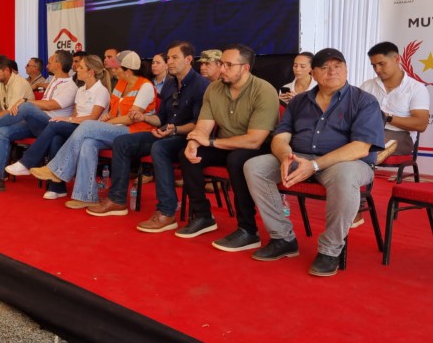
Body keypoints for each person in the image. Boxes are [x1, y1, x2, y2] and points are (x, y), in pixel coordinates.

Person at [243, 48, 385, 276]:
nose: (332, 71)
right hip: (301, 157)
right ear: (314, 73)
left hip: (347, 162)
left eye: (337, 66)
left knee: (345, 176)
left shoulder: (364, 101)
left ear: (346, 69)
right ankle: (283, 238)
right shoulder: (299, 101)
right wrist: (285, 156)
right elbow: (281, 136)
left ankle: (330, 250)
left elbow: (360, 147)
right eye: (325, 67)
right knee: (255, 166)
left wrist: (316, 165)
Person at [87, 42, 209, 233]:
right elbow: (160, 117)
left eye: (174, 58)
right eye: (168, 58)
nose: (170, 62)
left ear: (188, 60)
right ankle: (117, 200)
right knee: (122, 142)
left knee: (159, 149)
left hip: (187, 137)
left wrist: (174, 129)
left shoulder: (201, 85)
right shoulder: (170, 84)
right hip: (164, 132)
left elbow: (199, 123)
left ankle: (166, 212)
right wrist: (143, 117)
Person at [175, 44, 279, 251]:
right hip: (225, 144)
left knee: (237, 159)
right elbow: (203, 127)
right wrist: (193, 142)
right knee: (187, 155)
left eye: (228, 65)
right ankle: (203, 216)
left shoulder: (264, 90)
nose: (222, 69)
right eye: (221, 64)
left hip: (259, 148)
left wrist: (211, 142)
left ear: (245, 68)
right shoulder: (214, 89)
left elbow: (255, 140)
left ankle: (248, 230)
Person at [30, 50, 158, 209]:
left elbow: (130, 118)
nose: (112, 70)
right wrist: (107, 118)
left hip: (135, 133)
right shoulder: (121, 84)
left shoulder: (145, 86)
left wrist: (107, 122)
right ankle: (87, 196)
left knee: (87, 125)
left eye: (116, 68)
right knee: (88, 143)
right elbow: (114, 112)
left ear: (128, 70)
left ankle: (58, 170)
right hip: (116, 129)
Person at [0, 50, 78, 193]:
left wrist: (27, 102)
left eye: (50, 62)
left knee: (25, 106)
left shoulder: (70, 86)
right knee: (3, 131)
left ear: (58, 64)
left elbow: (51, 105)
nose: (46, 65)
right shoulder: (54, 81)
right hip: (40, 123)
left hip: (52, 125)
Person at [5, 55, 111, 199]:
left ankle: (27, 162)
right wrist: (69, 120)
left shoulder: (101, 91)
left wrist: (68, 119)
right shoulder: (81, 90)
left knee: (55, 124)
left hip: (90, 130)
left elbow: (93, 118)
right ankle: (57, 188)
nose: (77, 70)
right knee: (56, 138)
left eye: (81, 67)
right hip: (76, 126)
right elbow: (75, 113)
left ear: (90, 72)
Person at [360, 41, 430, 158]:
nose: (377, 69)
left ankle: (367, 152)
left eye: (381, 64)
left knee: (364, 145)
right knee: (338, 139)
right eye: (374, 65)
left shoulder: (416, 88)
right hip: (368, 132)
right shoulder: (367, 86)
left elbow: (421, 124)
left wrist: (387, 117)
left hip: (400, 136)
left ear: (397, 59)